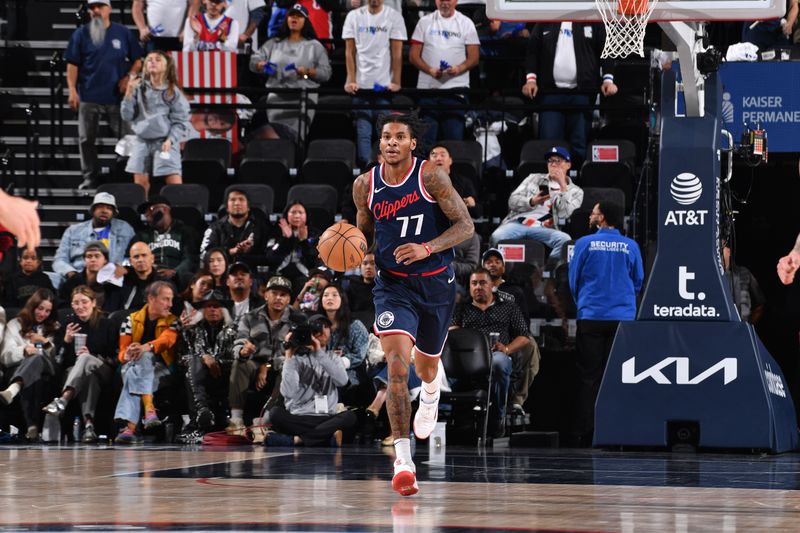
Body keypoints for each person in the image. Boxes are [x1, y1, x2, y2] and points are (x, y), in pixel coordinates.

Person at [351, 112, 474, 496]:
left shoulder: (431, 177)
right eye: (385, 136)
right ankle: (404, 461)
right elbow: (364, 234)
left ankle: (432, 391)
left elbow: (465, 226)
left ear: (411, 144)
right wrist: (354, 252)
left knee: (427, 365)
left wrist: (426, 247)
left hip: (436, 284)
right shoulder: (364, 185)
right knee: (397, 370)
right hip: (393, 288)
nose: (390, 142)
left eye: (398, 137)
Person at [568, 201, 643, 446]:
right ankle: (618, 432)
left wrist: (586, 302)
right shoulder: (631, 246)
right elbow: (637, 281)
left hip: (591, 316)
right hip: (622, 319)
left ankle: (585, 433)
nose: (591, 215)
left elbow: (574, 280)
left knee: (588, 377)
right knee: (618, 377)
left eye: (594, 212)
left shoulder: (584, 243)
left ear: (603, 218)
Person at [65, 0, 144, 190]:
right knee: (86, 139)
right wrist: (72, 90)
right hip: (88, 94)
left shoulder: (122, 32)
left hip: (117, 96)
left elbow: (138, 60)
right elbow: (72, 64)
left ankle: (125, 176)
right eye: (92, 8)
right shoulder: (81, 34)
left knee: (127, 138)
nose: (96, 11)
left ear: (110, 9)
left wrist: (129, 77)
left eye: (100, 6)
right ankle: (90, 176)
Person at [450, 268, 531, 437]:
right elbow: (452, 333)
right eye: (474, 283)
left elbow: (524, 336)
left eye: (482, 283)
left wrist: (507, 348)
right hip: (467, 359)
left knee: (500, 362)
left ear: (492, 285)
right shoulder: (461, 309)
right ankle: (448, 419)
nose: (478, 287)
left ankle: (498, 415)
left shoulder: (508, 307)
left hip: (496, 354)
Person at [521, 22, 616, 165]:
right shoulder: (545, 20)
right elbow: (532, 51)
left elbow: (606, 49)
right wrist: (531, 80)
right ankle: (552, 184)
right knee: (550, 146)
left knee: (579, 144)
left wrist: (608, 79)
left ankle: (577, 183)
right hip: (550, 93)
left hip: (582, 92)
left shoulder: (592, 21)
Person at [228, 275, 304, 433]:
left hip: (281, 366)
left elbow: (299, 353)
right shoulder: (249, 317)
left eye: (283, 295)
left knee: (288, 366)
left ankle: (265, 420)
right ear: (266, 295)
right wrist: (242, 351)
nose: (278, 298)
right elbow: (239, 341)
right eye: (274, 293)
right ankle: (236, 420)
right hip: (254, 365)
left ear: (289, 298)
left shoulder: (298, 320)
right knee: (240, 363)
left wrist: (267, 365)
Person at [42, 286, 119, 443]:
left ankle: (64, 399)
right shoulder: (68, 326)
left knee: (85, 358)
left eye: (84, 302)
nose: (80, 306)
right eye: (76, 303)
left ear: (93, 303)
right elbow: (59, 361)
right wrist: (66, 341)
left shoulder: (107, 324)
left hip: (104, 368)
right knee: (89, 378)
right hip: (77, 373)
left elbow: (116, 357)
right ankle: (89, 426)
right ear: (71, 305)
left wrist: (92, 355)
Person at [266, 314, 356, 446]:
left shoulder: (333, 357)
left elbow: (342, 381)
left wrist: (319, 352)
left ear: (330, 332)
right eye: (317, 327)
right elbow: (289, 393)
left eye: (326, 327)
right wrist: (289, 355)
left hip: (326, 417)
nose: (322, 331)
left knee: (350, 417)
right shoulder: (296, 359)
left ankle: (296, 440)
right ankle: (325, 438)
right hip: (300, 417)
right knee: (274, 414)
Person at [249, 4, 331, 141]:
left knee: (292, 137)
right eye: (292, 15)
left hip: (302, 98)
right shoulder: (274, 43)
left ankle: (293, 161)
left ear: (305, 20)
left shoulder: (315, 46)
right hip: (277, 98)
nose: (294, 18)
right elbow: (254, 60)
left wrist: (307, 72)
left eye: (299, 16)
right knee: (274, 137)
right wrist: (259, 64)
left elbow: (326, 73)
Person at [342, 0, 406, 168]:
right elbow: (350, 51)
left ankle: (385, 168)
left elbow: (397, 52)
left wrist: (396, 81)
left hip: (383, 86)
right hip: (361, 86)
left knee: (384, 132)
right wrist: (351, 79)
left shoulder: (394, 16)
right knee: (363, 132)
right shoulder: (353, 16)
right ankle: (366, 169)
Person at [490, 146, 583, 262]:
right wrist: (532, 201)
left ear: (568, 165)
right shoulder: (534, 178)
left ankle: (549, 272)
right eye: (550, 161)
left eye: (557, 161)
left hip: (544, 227)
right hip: (518, 223)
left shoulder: (576, 192)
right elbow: (512, 201)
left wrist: (563, 186)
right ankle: (494, 273)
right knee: (497, 236)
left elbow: (564, 214)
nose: (553, 164)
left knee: (565, 240)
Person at [113, 281, 179, 444]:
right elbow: (122, 353)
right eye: (166, 299)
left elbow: (167, 341)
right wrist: (128, 353)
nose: (170, 304)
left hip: (163, 369)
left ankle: (130, 428)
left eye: (171, 300)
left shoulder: (174, 321)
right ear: (151, 298)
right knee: (133, 368)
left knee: (137, 366)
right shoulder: (130, 320)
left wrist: (146, 347)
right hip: (134, 367)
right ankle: (148, 413)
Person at [409, 0, 480, 147]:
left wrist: (459, 68)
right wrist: (429, 70)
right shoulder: (424, 22)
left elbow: (474, 57)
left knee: (453, 142)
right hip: (428, 91)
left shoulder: (466, 23)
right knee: (425, 143)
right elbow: (413, 56)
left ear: (455, 1)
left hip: (455, 92)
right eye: (441, 0)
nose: (445, 3)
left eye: (448, 0)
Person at [121, 50, 191, 198]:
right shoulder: (138, 88)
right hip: (142, 140)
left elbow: (181, 120)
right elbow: (126, 115)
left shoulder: (173, 92)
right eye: (149, 59)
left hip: (164, 141)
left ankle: (179, 210)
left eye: (157, 59)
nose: (152, 62)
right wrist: (128, 91)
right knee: (140, 185)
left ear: (166, 66)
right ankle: (142, 214)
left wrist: (171, 139)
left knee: (173, 182)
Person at [175, 289, 238, 443]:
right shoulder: (191, 331)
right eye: (208, 306)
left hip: (224, 377)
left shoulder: (235, 331)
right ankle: (202, 410)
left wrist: (215, 362)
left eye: (216, 306)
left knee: (194, 370)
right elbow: (181, 357)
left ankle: (198, 419)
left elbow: (237, 359)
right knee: (193, 364)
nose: (212, 310)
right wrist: (203, 358)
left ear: (223, 310)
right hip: (198, 377)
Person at [0, 289, 59, 441]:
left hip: (48, 370)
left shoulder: (53, 327)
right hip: (20, 369)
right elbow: (5, 357)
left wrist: (44, 342)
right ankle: (32, 427)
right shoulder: (15, 325)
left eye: (47, 311)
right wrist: (24, 351)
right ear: (32, 306)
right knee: (33, 366)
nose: (43, 314)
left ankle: (13, 389)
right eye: (40, 309)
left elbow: (56, 358)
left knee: (37, 358)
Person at [52, 192, 135, 284]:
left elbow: (134, 254)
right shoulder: (73, 231)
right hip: (80, 277)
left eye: (109, 208)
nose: (104, 211)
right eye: (100, 207)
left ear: (113, 213)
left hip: (112, 279)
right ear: (93, 210)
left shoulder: (125, 229)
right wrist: (71, 273)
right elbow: (59, 260)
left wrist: (124, 268)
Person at [133, 195, 200, 288]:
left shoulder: (185, 232)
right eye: (146, 213)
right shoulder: (143, 235)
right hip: (150, 277)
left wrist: (174, 272)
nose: (148, 215)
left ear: (165, 209)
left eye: (151, 209)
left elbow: (190, 258)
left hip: (177, 277)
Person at [200, 189, 271, 267]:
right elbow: (204, 254)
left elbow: (270, 257)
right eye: (233, 200)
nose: (237, 203)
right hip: (223, 273)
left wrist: (250, 251)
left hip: (252, 273)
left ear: (248, 207)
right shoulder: (215, 228)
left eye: (241, 199)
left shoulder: (262, 227)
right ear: (227, 207)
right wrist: (231, 251)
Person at [320, 285, 369, 392]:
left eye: (334, 295)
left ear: (342, 299)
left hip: (349, 374)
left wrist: (337, 363)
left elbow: (360, 355)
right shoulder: (316, 325)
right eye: (326, 295)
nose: (329, 298)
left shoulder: (355, 326)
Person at [264, 201, 323, 289]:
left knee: (306, 285)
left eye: (300, 212)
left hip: (306, 276)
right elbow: (270, 258)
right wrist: (285, 240)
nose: (297, 216)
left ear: (306, 215)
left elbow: (314, 262)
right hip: (279, 275)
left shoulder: (315, 234)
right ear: (286, 215)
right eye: (293, 212)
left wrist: (304, 242)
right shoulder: (275, 232)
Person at [103, 242, 165, 312]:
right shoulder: (121, 282)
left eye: (144, 255)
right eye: (136, 257)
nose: (140, 260)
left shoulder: (163, 284)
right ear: (130, 261)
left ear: (152, 258)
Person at [723, 240, 766, 324]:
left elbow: (760, 303)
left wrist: (748, 325)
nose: (719, 251)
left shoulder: (744, 273)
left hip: (741, 327)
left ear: (728, 251)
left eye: (722, 248)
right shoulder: (713, 274)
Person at [58, 242, 111, 309]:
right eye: (89, 256)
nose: (93, 259)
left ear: (105, 260)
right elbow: (63, 307)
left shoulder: (113, 284)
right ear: (84, 260)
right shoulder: (72, 282)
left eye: (97, 256)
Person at [429, 144, 478, 215]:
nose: (438, 158)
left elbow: (478, 213)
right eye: (434, 156)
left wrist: (472, 205)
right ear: (428, 162)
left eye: (442, 155)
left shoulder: (464, 182)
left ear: (450, 160)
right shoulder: (421, 182)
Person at [132, 0, 200, 51]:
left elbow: (195, 3)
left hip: (179, 38)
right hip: (153, 37)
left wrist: (187, 28)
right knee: (155, 68)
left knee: (178, 68)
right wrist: (142, 28)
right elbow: (137, 5)